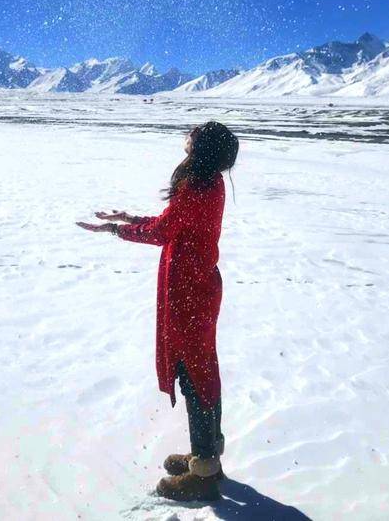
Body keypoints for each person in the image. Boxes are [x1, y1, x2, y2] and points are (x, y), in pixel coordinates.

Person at [76, 121, 239, 502]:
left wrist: (117, 231)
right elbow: (174, 225)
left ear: (200, 148)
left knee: (192, 373)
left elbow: (165, 232)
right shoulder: (208, 181)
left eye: (193, 134)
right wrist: (131, 219)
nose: (186, 136)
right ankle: (208, 454)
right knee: (201, 368)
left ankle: (204, 473)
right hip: (199, 285)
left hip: (188, 291)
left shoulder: (196, 186)